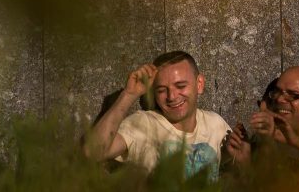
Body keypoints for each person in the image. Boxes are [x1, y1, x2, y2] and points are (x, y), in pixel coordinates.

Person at [83, 50, 230, 182]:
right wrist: (129, 95)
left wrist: (244, 158)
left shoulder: (215, 123)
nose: (172, 96)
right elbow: (92, 152)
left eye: (180, 86)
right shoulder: (143, 123)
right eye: (161, 90)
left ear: (199, 84)